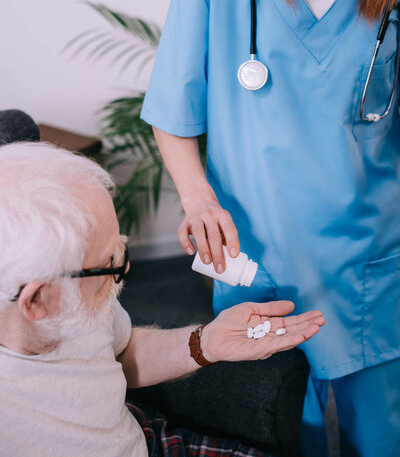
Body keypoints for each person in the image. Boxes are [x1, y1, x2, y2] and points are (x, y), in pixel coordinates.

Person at [140, 0, 400, 455]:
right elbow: (173, 113)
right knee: (280, 430)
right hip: (259, 257)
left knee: (385, 436)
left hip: (372, 258)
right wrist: (198, 199)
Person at [0, 141, 324, 457]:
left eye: (121, 247)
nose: (124, 266)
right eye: (108, 260)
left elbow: (120, 350)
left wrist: (205, 342)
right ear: (36, 301)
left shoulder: (69, 298)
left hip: (143, 439)